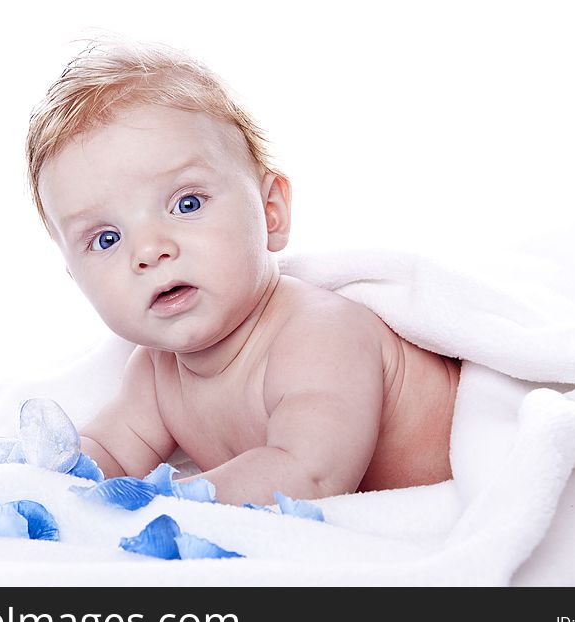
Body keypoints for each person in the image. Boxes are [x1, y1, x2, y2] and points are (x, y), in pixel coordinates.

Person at [26, 37, 460, 506]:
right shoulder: (155, 374)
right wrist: (51, 479)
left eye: (186, 204)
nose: (149, 251)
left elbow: (307, 473)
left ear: (270, 212)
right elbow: (107, 453)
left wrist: (161, 502)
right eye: (106, 239)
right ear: (76, 279)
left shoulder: (317, 334)